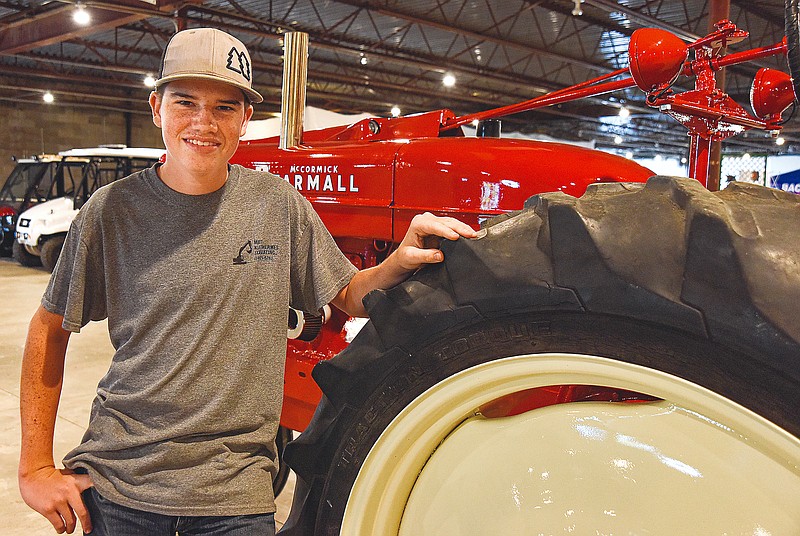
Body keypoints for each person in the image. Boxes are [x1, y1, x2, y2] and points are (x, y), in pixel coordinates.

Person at [18, 27, 476, 536]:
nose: (203, 123)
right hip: (121, 490)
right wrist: (34, 468)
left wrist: (399, 261)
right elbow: (49, 328)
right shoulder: (111, 212)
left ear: (245, 120)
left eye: (223, 108)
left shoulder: (276, 205)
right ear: (156, 108)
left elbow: (348, 296)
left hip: (235, 498)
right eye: (185, 102)